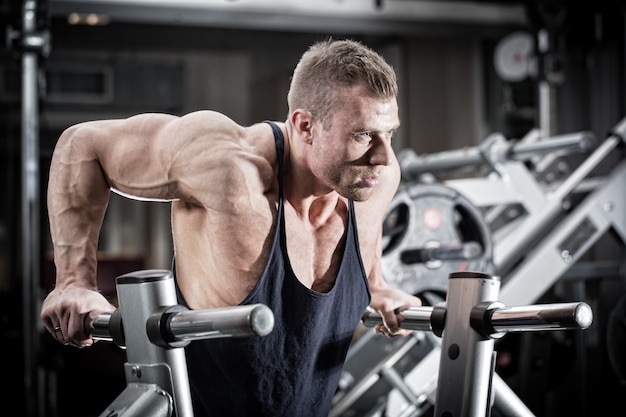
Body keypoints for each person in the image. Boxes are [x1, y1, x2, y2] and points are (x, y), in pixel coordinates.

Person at [40, 38, 422, 416]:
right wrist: (74, 282)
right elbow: (82, 145)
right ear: (305, 126)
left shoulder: (374, 181)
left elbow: (365, 269)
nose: (384, 156)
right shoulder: (229, 170)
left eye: (389, 133)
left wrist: (377, 287)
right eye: (363, 135)